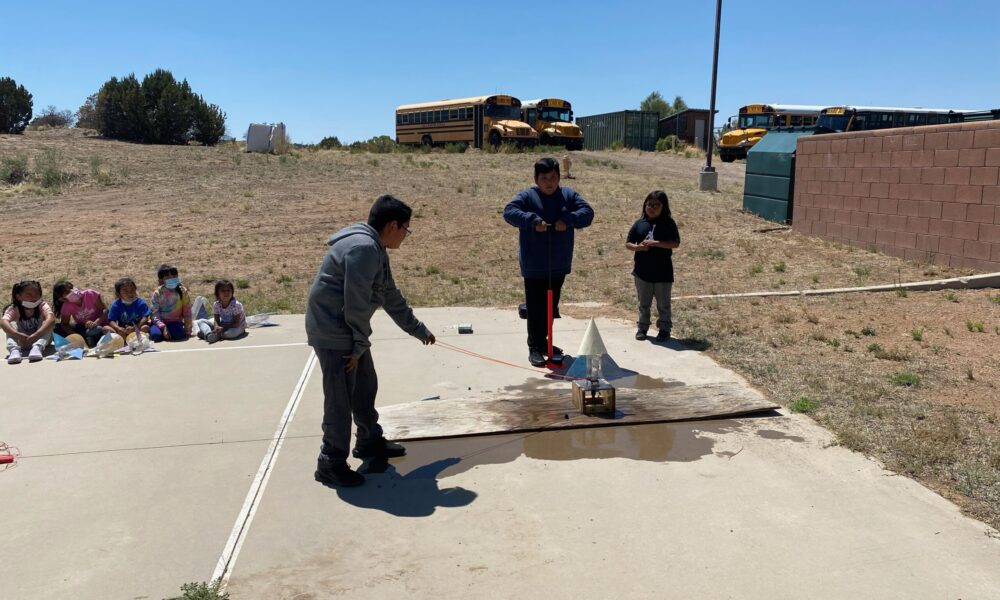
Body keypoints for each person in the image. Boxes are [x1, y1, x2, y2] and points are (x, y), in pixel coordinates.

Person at [306, 195, 436, 487]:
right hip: (333, 331)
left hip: (345, 328)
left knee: (365, 385)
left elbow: (389, 295)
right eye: (406, 229)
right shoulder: (363, 249)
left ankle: (368, 441)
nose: (406, 235)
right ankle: (330, 462)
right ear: (392, 225)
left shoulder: (374, 248)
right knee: (340, 400)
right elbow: (355, 305)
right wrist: (357, 347)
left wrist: (418, 330)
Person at [503, 157, 594, 367]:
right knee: (535, 307)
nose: (549, 182)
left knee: (551, 306)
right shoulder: (527, 196)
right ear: (536, 179)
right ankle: (534, 347)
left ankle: (544, 343)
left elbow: (588, 213)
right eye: (544, 178)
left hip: (558, 263)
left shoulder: (568, 195)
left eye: (553, 177)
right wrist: (533, 221)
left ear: (559, 177)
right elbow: (509, 212)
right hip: (534, 264)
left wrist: (568, 220)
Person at [625, 190, 680, 341]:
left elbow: (675, 243)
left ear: (664, 207)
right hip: (642, 272)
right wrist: (637, 248)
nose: (652, 208)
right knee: (644, 303)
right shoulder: (639, 224)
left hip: (663, 273)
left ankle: (664, 329)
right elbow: (628, 243)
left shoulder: (668, 223)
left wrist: (657, 243)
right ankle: (642, 328)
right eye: (649, 204)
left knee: (663, 304)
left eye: (656, 205)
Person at [3, 280, 56, 364]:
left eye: (37, 294)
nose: (34, 297)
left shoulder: (42, 305)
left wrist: (36, 334)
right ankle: (14, 350)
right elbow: (3, 322)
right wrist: (18, 335)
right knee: (10, 325)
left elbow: (51, 319)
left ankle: (37, 348)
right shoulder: (14, 308)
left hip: (41, 339)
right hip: (22, 341)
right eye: (29, 295)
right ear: (18, 297)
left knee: (48, 323)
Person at [53, 280, 108, 348]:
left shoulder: (90, 294)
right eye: (67, 292)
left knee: (97, 329)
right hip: (84, 328)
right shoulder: (67, 306)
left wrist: (96, 322)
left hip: (99, 324)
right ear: (63, 299)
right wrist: (76, 335)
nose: (72, 291)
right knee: (56, 328)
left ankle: (89, 340)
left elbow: (105, 310)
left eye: (71, 288)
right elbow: (64, 324)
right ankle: (86, 339)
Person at [149, 264, 192, 342]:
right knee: (156, 336)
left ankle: (168, 332)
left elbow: (187, 311)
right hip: (159, 322)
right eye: (168, 277)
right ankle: (157, 331)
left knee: (179, 335)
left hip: (175, 322)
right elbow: (154, 313)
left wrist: (188, 328)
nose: (172, 278)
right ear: (161, 280)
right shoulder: (157, 293)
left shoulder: (183, 291)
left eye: (174, 275)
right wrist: (163, 327)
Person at [195, 279, 246, 344]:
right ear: (217, 293)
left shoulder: (236, 305)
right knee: (200, 321)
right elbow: (216, 319)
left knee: (231, 334)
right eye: (223, 291)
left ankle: (211, 335)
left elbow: (237, 323)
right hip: (223, 324)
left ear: (232, 292)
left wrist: (222, 328)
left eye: (228, 290)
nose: (226, 293)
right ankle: (208, 334)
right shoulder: (216, 304)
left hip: (236, 327)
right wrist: (216, 326)